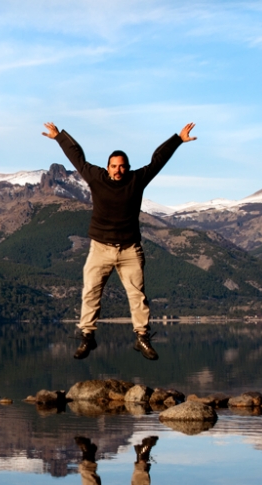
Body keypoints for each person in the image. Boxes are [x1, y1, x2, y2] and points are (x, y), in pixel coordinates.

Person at [42, 122, 197, 360]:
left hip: (130, 250)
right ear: (107, 167)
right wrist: (59, 136)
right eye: (114, 166)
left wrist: (178, 139)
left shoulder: (137, 180)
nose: (118, 170)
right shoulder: (96, 177)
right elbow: (78, 158)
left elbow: (158, 160)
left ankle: (142, 338)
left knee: (138, 295)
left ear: (128, 168)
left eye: (122, 167)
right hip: (100, 249)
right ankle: (87, 338)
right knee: (91, 292)